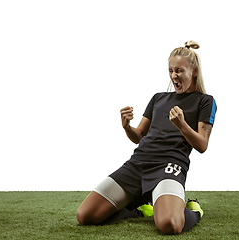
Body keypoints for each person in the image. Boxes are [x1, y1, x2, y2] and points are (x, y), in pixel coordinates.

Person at [76, 40, 217, 235]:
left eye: (179, 71)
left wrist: (182, 125)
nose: (174, 76)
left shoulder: (205, 101)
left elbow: (202, 145)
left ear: (193, 71)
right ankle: (140, 209)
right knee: (85, 216)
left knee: (170, 225)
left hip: (170, 166)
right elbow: (139, 136)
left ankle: (194, 210)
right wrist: (126, 126)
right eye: (171, 71)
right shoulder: (159, 98)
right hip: (138, 164)